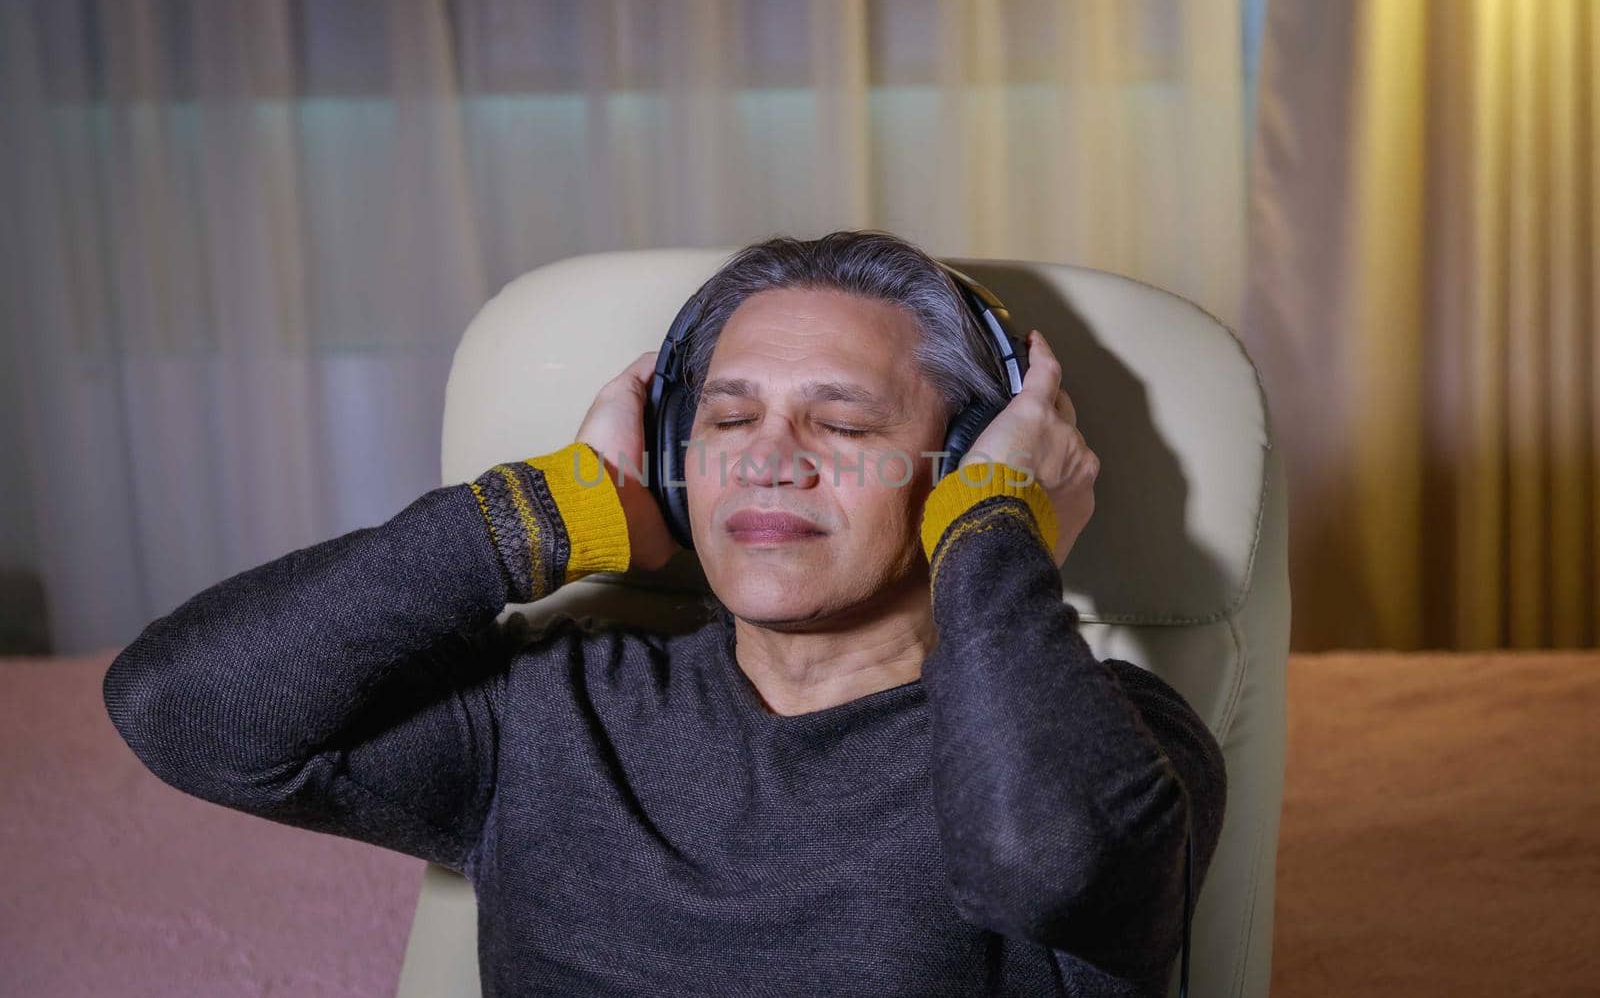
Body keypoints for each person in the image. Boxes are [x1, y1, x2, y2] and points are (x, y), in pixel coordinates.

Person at [104, 230, 1226, 997]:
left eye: (840, 425)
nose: (767, 459)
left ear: (963, 460)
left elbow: (1048, 857)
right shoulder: (553, 707)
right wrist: (542, 513)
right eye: (728, 418)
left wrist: (995, 529)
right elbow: (183, 707)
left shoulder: (1117, 741)